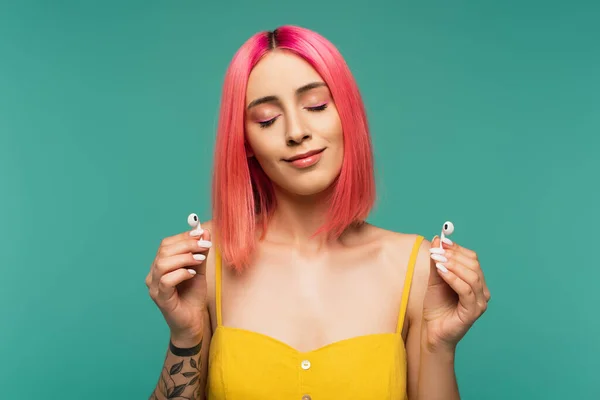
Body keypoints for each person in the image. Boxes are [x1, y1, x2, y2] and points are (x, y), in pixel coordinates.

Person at [146, 25, 491, 400]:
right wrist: (186, 336)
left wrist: (438, 348)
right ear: (244, 141)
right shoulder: (205, 259)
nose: (296, 131)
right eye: (266, 119)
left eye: (316, 106)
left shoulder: (419, 267)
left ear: (348, 113)